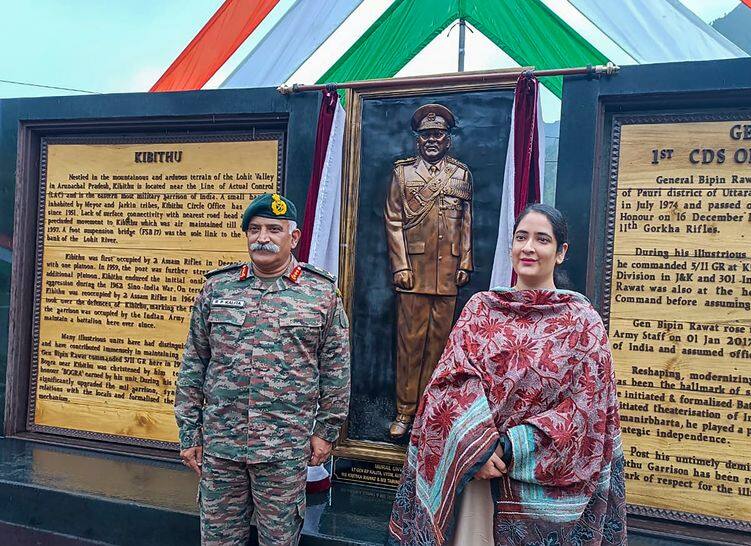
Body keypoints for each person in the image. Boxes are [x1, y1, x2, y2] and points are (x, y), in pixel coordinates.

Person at [388, 203, 626, 546]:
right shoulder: (481, 309)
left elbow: (588, 408)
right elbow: (449, 384)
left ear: (561, 253)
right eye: (521, 237)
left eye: (542, 239)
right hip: (478, 479)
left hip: (545, 490)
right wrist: (479, 450)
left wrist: (513, 446)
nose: (528, 248)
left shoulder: (581, 320)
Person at [174, 192, 351, 546]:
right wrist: (189, 434)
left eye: (273, 229)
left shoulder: (321, 293)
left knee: (279, 541)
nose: (263, 238)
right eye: (254, 229)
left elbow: (336, 370)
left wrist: (326, 432)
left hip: (284, 448)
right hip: (222, 447)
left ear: (293, 237)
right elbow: (194, 363)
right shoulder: (217, 288)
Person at [384, 103, 473, 439]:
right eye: (426, 134)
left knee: (439, 346)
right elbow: (393, 221)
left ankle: (428, 411)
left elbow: (466, 223)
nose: (432, 139)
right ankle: (405, 412)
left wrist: (465, 261)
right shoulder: (403, 174)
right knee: (410, 346)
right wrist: (401, 266)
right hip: (414, 274)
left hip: (448, 273)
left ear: (448, 139)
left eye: (438, 134)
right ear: (417, 139)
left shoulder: (461, 175)